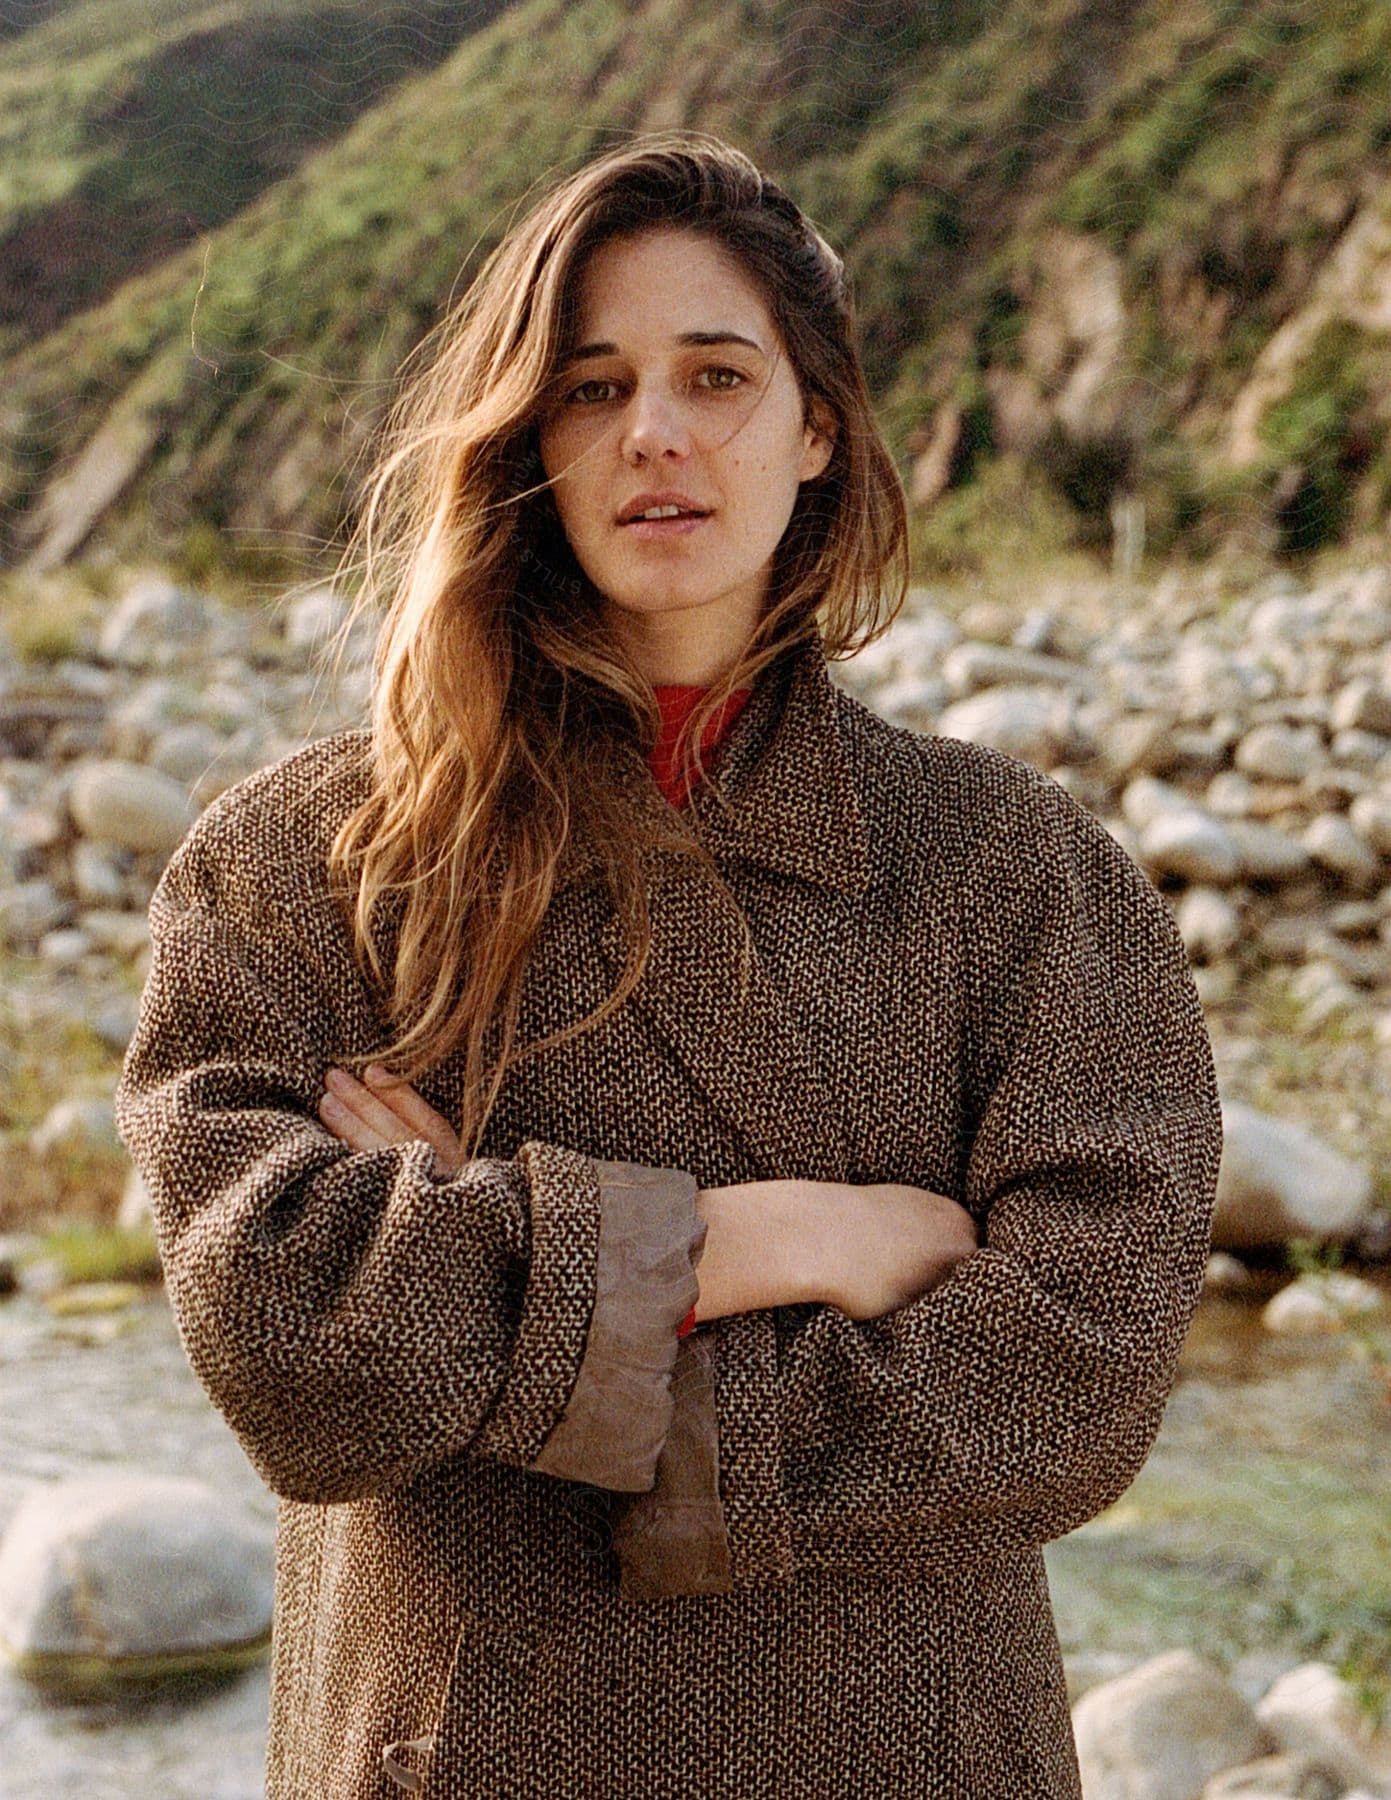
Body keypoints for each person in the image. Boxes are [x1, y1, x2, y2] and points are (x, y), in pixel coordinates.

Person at [113, 130, 1223, 1798]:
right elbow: (284, 1338)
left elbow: (1078, 1372)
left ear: (817, 427)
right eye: (589, 387)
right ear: (527, 443)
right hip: (465, 1743)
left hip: (903, 1748)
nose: (655, 433)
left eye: (716, 375)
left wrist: (498, 1302)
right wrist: (759, 1243)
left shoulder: (1025, 872)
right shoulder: (306, 859)